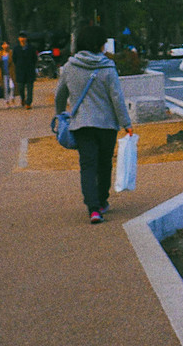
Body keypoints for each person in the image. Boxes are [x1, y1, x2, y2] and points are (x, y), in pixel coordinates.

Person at [54, 25, 132, 225]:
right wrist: (126, 123)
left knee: (87, 165)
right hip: (106, 125)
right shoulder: (107, 66)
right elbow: (117, 98)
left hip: (81, 125)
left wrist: (61, 114)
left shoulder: (69, 67)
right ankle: (102, 200)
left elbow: (59, 94)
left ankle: (93, 209)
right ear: (98, 43)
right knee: (104, 163)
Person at [12, 32, 38, 109]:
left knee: (30, 88)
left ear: (26, 38)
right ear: (19, 39)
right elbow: (14, 59)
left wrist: (32, 66)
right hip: (20, 70)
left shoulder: (31, 48)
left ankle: (28, 103)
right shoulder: (16, 48)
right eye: (21, 37)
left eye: (24, 37)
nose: (22, 39)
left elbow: (34, 58)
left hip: (29, 70)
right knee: (21, 87)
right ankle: (22, 98)